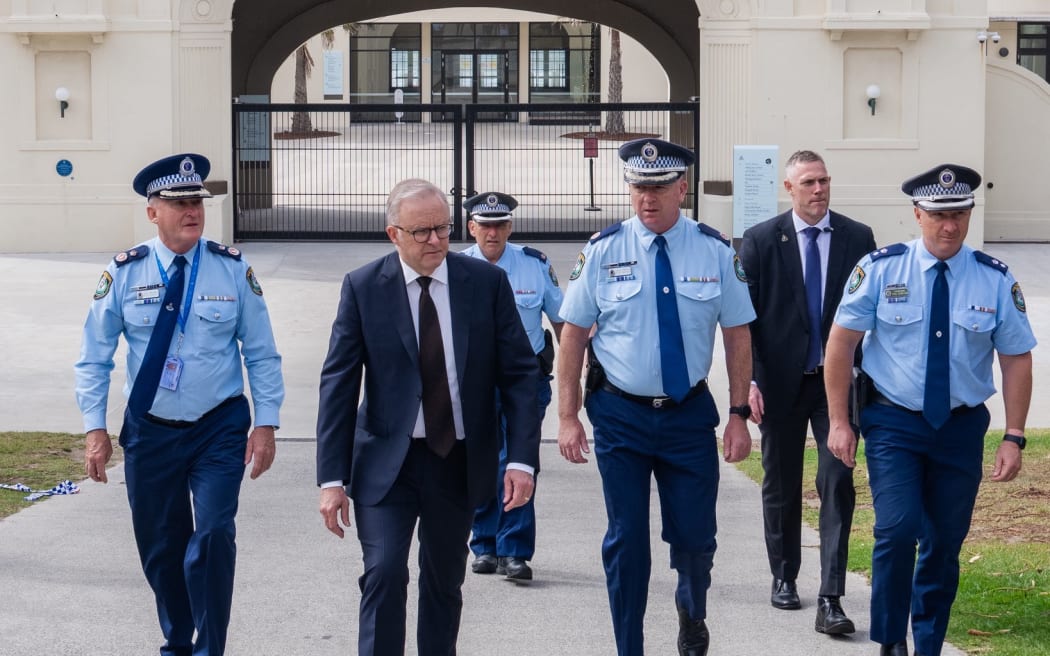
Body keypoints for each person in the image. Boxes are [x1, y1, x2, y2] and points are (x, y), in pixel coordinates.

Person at [316, 178, 541, 656]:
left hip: (455, 461)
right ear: (393, 234)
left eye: (442, 228)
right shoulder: (362, 287)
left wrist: (521, 460)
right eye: (421, 232)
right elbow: (338, 384)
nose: (436, 240)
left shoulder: (485, 284)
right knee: (384, 572)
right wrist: (331, 478)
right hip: (385, 465)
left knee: (443, 584)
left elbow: (520, 376)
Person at [75, 153, 284, 656]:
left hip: (218, 425)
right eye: (179, 203)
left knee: (212, 535)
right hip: (150, 429)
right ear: (153, 212)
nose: (192, 210)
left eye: (197, 202)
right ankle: (178, 640)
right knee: (162, 547)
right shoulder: (124, 272)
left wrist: (267, 423)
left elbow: (261, 351)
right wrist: (95, 429)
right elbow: (94, 357)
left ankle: (211, 648)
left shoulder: (232, 269)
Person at [824, 164, 1035, 656]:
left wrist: (1015, 434)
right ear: (917, 214)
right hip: (894, 421)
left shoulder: (994, 279)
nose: (950, 225)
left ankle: (929, 644)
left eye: (960, 213)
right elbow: (840, 346)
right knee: (896, 530)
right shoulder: (880, 269)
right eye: (939, 214)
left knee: (944, 543)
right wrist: (838, 421)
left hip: (960, 429)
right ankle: (891, 639)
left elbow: (1016, 357)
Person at [556, 138, 755, 656]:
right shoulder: (602, 251)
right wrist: (568, 415)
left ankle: (692, 612)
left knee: (695, 539)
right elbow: (572, 335)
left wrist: (738, 416)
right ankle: (630, 645)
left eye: (659, 187)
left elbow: (737, 335)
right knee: (627, 540)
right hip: (620, 415)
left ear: (682, 189)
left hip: (688, 417)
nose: (648, 198)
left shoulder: (714, 250)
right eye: (639, 187)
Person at [737, 150, 876, 633]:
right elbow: (743, 322)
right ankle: (784, 576)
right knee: (782, 482)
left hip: (836, 385)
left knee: (837, 481)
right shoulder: (758, 242)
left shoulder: (859, 239)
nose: (819, 190)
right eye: (808, 183)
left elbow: (869, 316)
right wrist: (750, 381)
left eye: (824, 181)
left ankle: (832, 595)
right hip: (779, 383)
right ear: (788, 188)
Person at [462, 191, 564, 583]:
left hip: (525, 381)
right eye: (484, 225)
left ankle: (515, 550)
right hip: (475, 383)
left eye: (499, 225)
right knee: (483, 459)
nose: (492, 233)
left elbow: (561, 319)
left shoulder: (533, 265)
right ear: (472, 227)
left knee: (520, 460)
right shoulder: (455, 268)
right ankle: (485, 543)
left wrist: (578, 368)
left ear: (510, 227)